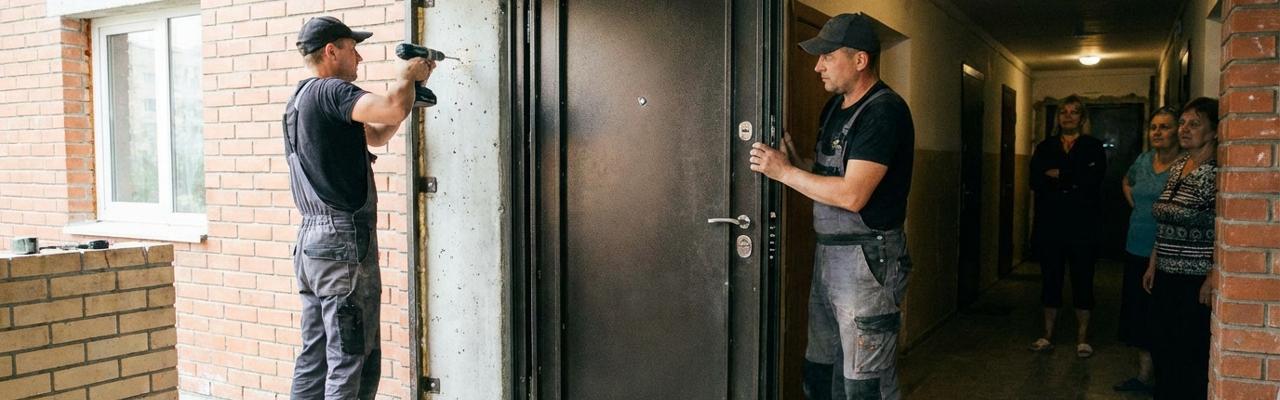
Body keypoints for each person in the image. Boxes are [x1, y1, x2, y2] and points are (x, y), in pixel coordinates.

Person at [750, 13, 915, 400]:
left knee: (865, 384)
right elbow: (833, 180)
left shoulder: (883, 112)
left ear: (860, 60)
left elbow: (852, 195)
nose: (817, 65)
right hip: (830, 257)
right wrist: (797, 164)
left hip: (868, 260)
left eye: (827, 55)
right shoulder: (835, 108)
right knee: (821, 371)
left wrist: (785, 173)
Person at [284, 16, 434, 399]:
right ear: (331, 51)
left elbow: (380, 131)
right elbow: (388, 107)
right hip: (340, 246)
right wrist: (405, 76)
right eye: (353, 48)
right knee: (352, 358)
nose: (359, 58)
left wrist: (411, 93)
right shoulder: (331, 91)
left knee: (315, 358)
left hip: (313, 246)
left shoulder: (302, 101)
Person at [1143, 97, 1219, 400]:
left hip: (1194, 280)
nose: (1185, 129)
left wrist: (1212, 275)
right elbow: (1163, 219)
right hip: (1165, 274)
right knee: (1162, 348)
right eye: (1184, 123)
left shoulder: (1216, 173)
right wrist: (1153, 263)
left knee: (1188, 356)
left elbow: (1221, 228)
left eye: (1195, 124)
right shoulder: (1178, 167)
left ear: (1214, 131)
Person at [1027, 95, 1107, 358]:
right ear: (1058, 117)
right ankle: (1047, 334)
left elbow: (1093, 181)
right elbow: (1035, 180)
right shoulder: (1045, 146)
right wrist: (1074, 178)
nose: (1068, 116)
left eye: (1074, 112)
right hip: (1051, 226)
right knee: (1051, 280)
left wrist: (1060, 175)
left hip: (1084, 227)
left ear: (1082, 118)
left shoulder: (1093, 147)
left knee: (1083, 280)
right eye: (1064, 112)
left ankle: (1082, 338)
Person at [1113, 106, 1182, 392]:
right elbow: (1127, 181)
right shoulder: (1144, 159)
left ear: (1178, 130)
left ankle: (1165, 378)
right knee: (1138, 314)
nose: (1157, 132)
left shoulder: (1185, 164)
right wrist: (1138, 206)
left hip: (1167, 251)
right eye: (1154, 127)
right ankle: (1143, 376)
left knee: (1162, 315)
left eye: (1164, 127)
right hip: (1136, 246)